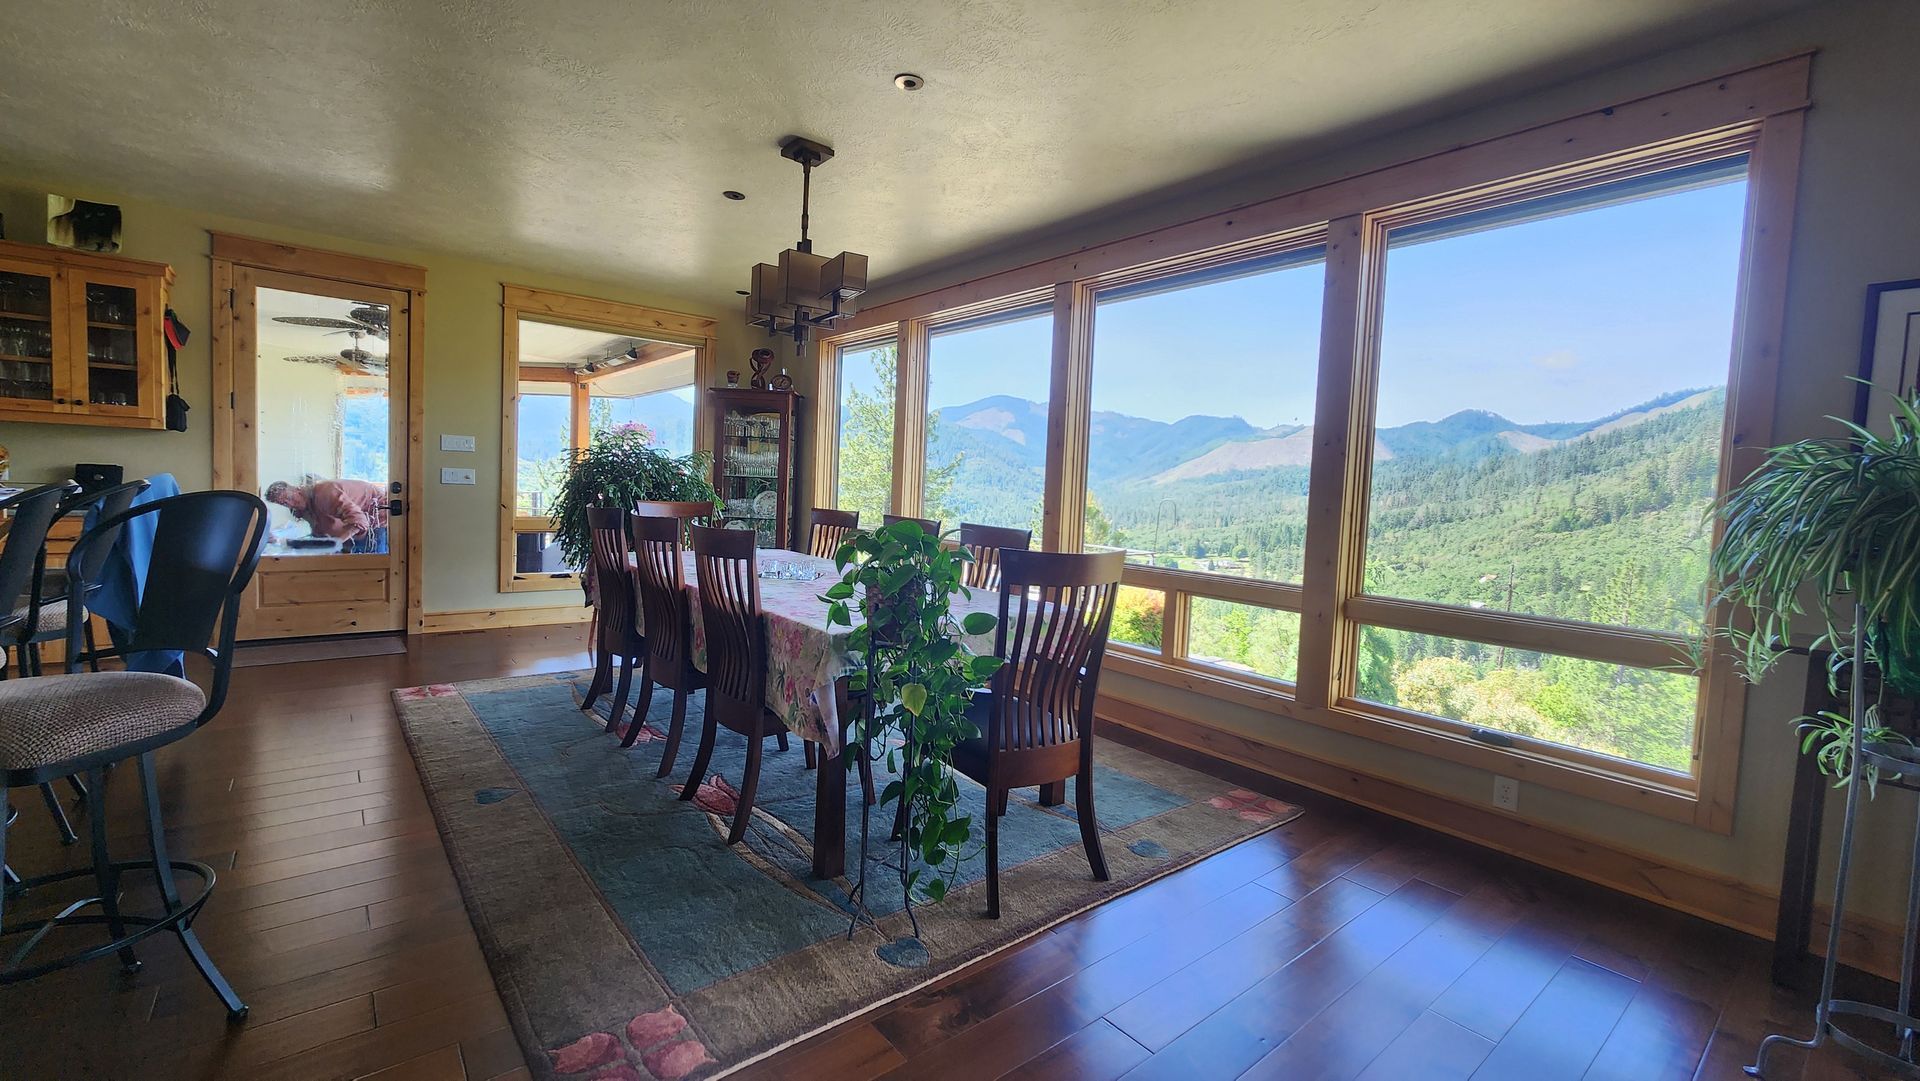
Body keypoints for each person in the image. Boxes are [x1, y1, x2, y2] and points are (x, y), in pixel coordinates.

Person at [264, 477, 390, 553]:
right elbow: (320, 537)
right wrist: (280, 541)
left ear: (298, 490)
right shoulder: (305, 508)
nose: (290, 504)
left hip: (378, 522)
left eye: (290, 498)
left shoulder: (324, 494)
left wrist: (335, 543)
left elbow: (360, 522)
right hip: (360, 531)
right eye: (284, 504)